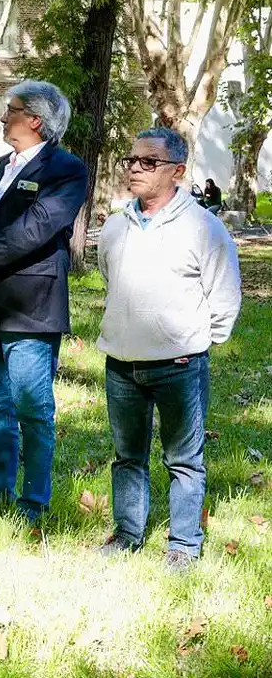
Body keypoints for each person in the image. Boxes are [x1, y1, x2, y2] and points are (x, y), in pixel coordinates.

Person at [97, 127, 241, 572]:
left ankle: (183, 544)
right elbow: (110, 278)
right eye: (132, 159)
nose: (135, 168)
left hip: (180, 363)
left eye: (148, 162)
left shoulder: (203, 226)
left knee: (183, 459)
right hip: (121, 362)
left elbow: (225, 295)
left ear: (177, 171)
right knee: (127, 456)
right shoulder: (116, 225)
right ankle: (127, 534)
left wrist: (194, 342)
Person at [0, 80, 88, 521]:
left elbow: (34, 231)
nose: (3, 116)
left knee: (33, 407)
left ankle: (33, 502)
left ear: (36, 121)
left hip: (30, 305)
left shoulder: (66, 170)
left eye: (12, 109)